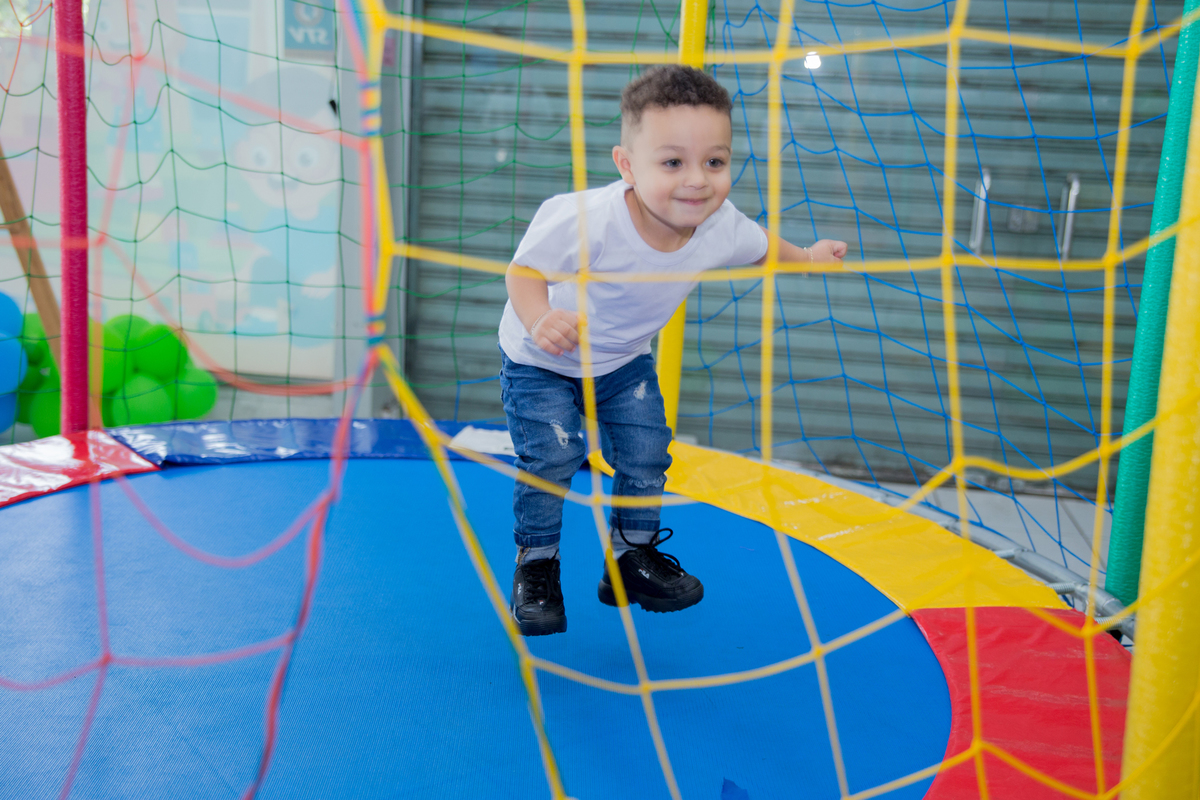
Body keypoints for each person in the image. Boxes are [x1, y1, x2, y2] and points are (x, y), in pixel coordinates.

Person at [498, 64, 848, 636]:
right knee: (554, 456)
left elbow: (763, 246)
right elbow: (523, 272)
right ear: (627, 165)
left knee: (647, 453)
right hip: (542, 361)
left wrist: (808, 257)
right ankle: (536, 564)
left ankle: (629, 559)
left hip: (622, 361)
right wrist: (540, 319)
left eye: (714, 162)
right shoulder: (589, 220)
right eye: (672, 163)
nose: (696, 181)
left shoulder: (717, 225)